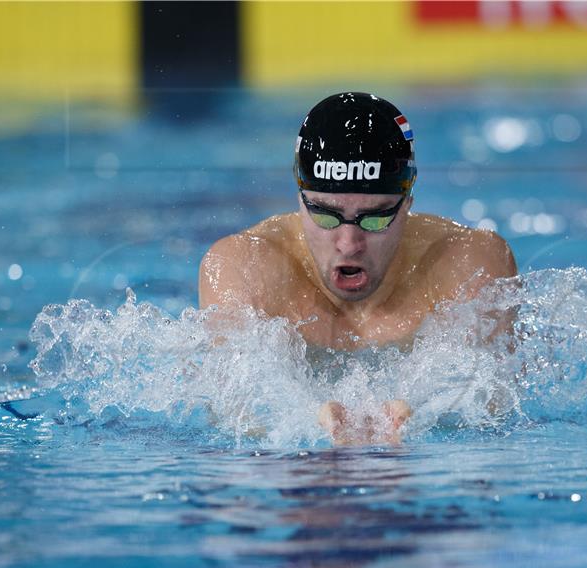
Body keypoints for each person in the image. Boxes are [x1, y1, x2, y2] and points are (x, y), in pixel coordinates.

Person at [198, 92, 517, 445]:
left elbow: (492, 408)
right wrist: (310, 420)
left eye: (376, 218)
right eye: (324, 213)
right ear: (299, 197)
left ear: (408, 200)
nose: (349, 243)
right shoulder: (245, 267)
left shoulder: (467, 263)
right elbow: (233, 413)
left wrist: (426, 416)